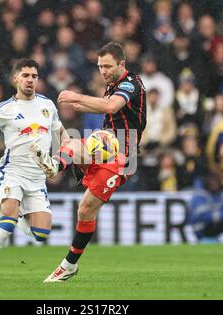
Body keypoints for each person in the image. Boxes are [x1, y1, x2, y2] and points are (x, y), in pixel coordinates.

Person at [30, 42, 146, 282]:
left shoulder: (130, 83)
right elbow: (104, 107)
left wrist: (76, 97)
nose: (102, 71)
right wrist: (69, 104)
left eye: (107, 66)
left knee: (90, 141)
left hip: (124, 152)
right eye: (99, 66)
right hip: (111, 148)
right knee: (84, 209)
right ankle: (69, 266)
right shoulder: (111, 85)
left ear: (121, 64)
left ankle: (56, 164)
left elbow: (112, 106)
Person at [0, 58, 67, 281]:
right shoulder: (5, 109)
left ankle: (17, 214)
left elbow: (61, 133)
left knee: (41, 234)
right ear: (15, 78)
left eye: (34, 76)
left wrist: (64, 156)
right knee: (8, 222)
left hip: (37, 177)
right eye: (25, 76)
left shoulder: (48, 105)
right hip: (13, 171)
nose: (30, 80)